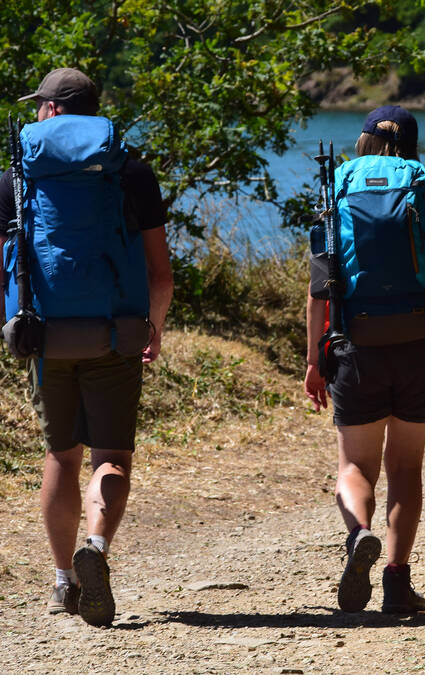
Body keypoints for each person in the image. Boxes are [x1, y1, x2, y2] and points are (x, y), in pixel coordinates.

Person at [304, 105, 425, 614]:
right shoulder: (423, 190)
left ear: (363, 142)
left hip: (355, 346)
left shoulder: (338, 190)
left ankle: (359, 536)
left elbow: (319, 290)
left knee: (355, 465)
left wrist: (312, 359)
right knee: (406, 469)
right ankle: (396, 582)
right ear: (410, 144)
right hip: (419, 345)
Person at [0, 68, 174, 626]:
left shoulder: (18, 175)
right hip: (115, 331)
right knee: (111, 457)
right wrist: (156, 327)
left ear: (49, 111)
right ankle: (95, 549)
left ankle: (61, 582)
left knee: (60, 456)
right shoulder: (131, 172)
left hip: (44, 333)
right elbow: (160, 274)